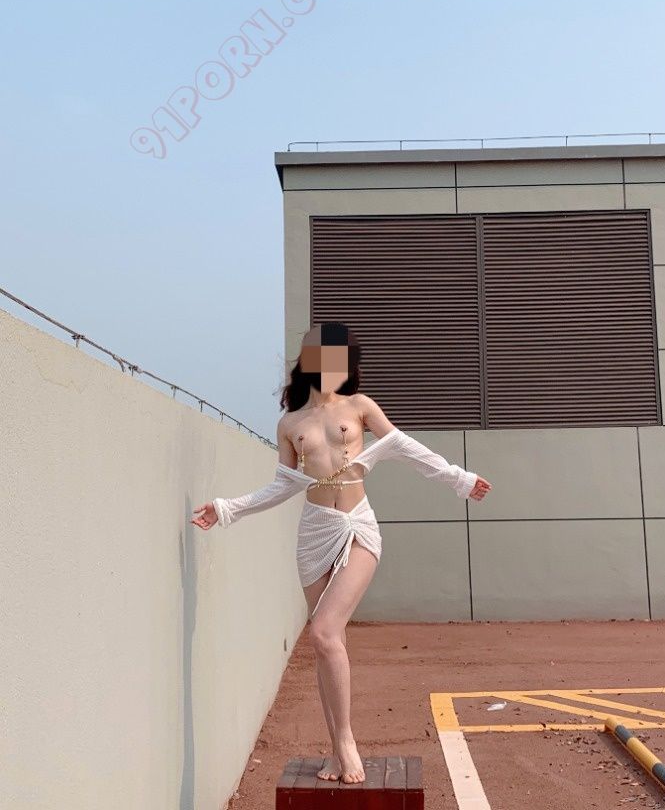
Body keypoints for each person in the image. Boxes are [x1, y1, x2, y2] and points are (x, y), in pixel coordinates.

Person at [192, 322, 492, 785]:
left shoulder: (360, 406)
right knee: (327, 645)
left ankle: (347, 742)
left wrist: (459, 478)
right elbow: (282, 486)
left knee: (324, 631)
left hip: (357, 526)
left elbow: (404, 447)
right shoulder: (291, 423)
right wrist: (227, 508)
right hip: (314, 531)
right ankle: (335, 750)